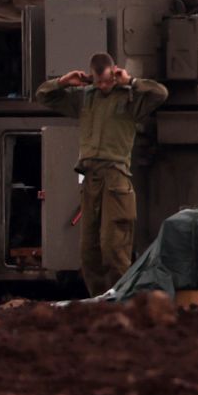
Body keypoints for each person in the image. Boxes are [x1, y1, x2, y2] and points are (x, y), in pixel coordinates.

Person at [34, 52, 168, 296]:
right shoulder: (86, 98)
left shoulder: (130, 98)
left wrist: (131, 81)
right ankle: (99, 300)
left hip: (116, 178)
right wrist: (63, 81)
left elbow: (160, 94)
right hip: (90, 178)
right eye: (99, 82)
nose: (104, 86)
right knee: (89, 250)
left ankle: (122, 299)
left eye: (107, 81)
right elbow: (43, 95)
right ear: (92, 78)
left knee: (113, 246)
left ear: (114, 73)